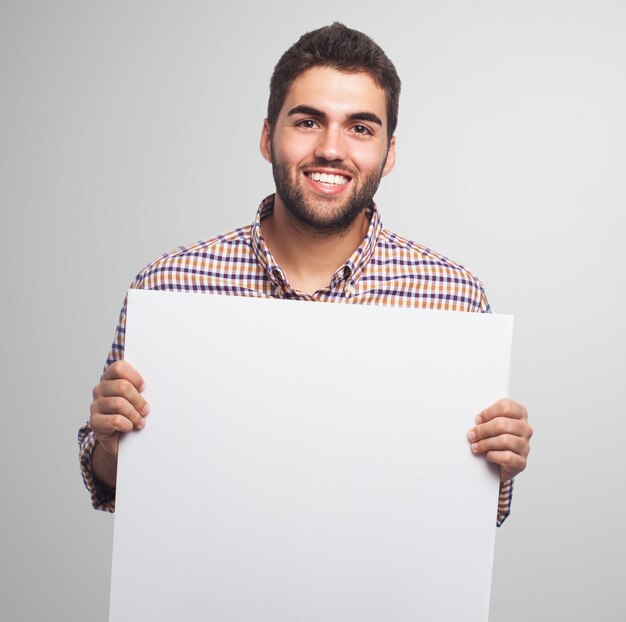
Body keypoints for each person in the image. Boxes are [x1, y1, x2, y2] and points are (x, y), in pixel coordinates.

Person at [79, 22, 532, 526]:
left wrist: (499, 458)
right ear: (268, 136)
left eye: (360, 127)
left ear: (390, 153)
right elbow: (112, 480)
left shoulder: (456, 301)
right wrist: (111, 445)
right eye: (308, 122)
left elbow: (473, 516)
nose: (332, 150)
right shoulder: (167, 286)